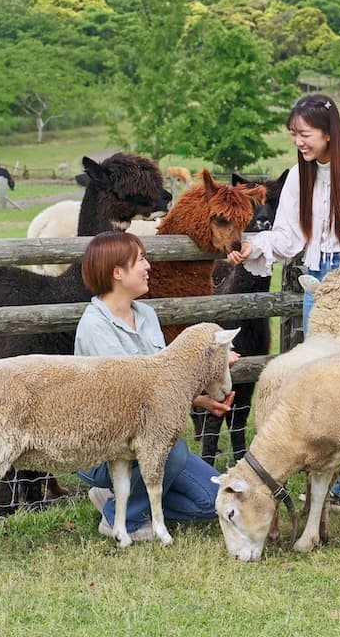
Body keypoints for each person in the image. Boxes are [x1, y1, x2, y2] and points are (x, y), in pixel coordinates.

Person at [227, 93, 340, 505]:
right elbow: (289, 236)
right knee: (319, 375)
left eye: (304, 134)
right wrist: (254, 246)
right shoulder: (298, 174)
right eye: (294, 135)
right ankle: (322, 482)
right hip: (318, 284)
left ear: (327, 131)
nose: (299, 142)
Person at [75, 230, 237, 541]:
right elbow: (130, 399)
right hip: (106, 446)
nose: (149, 266)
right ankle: (119, 517)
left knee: (212, 500)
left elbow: (163, 386)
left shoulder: (146, 315)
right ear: (117, 272)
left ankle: (119, 499)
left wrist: (201, 396)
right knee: (171, 451)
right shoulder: (95, 326)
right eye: (141, 260)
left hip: (148, 438)